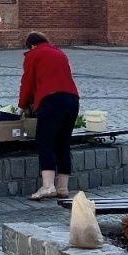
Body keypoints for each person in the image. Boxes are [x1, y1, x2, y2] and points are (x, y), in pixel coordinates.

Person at [18, 32, 80, 201]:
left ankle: (47, 186)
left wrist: (22, 105)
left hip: (51, 99)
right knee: (63, 142)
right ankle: (63, 187)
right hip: (72, 99)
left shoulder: (33, 55)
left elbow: (27, 82)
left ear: (31, 45)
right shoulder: (60, 53)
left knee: (46, 141)